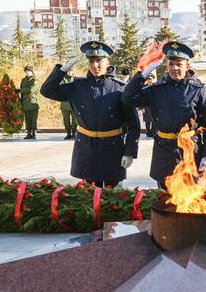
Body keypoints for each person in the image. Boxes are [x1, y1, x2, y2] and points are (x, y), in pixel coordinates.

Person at [40, 41, 140, 188]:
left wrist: (129, 152)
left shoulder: (120, 89)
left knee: (113, 196)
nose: (95, 66)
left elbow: (133, 124)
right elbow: (46, 91)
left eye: (99, 61)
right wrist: (62, 70)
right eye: (91, 61)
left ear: (107, 62)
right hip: (87, 148)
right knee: (89, 195)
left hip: (113, 148)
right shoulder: (78, 87)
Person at [122, 41, 206, 189]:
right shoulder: (156, 90)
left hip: (190, 150)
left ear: (187, 65)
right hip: (164, 151)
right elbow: (127, 98)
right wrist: (142, 74)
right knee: (164, 200)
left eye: (179, 64)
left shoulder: (198, 90)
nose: (175, 68)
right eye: (171, 64)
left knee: (191, 200)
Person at [20, 65, 40, 140]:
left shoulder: (35, 80)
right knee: (27, 118)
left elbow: (32, 89)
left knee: (33, 119)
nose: (27, 72)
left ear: (32, 71)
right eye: (26, 71)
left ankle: (33, 133)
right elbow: (22, 91)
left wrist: (22, 89)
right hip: (25, 101)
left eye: (28, 71)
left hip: (33, 101)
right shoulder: (23, 80)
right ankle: (28, 133)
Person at [59, 68, 77, 139]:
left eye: (71, 71)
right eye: (68, 71)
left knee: (74, 119)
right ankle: (68, 133)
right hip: (65, 103)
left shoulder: (76, 79)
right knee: (66, 120)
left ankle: (73, 133)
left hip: (74, 103)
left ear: (73, 72)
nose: (70, 72)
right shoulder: (63, 79)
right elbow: (61, 89)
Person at [141, 72, 156, 138]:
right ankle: (148, 132)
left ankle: (153, 132)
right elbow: (141, 98)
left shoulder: (155, 87)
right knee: (147, 121)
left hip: (154, 106)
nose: (150, 80)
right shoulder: (143, 87)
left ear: (153, 79)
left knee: (154, 121)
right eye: (148, 79)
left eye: (151, 79)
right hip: (146, 106)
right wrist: (142, 107)